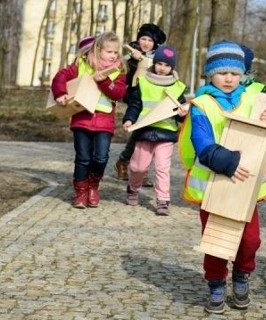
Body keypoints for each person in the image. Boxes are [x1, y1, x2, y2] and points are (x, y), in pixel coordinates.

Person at [178, 40, 266, 314]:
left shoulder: (254, 100)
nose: (229, 78)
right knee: (217, 241)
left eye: (234, 73)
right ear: (211, 74)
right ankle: (216, 283)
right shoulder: (202, 105)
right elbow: (202, 143)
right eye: (222, 73)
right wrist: (229, 163)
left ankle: (242, 275)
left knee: (250, 240)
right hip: (214, 183)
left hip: (246, 186)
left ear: (243, 74)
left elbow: (264, 141)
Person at [50, 31, 127, 209]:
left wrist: (104, 81)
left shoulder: (119, 71)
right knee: (83, 158)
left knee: (101, 157)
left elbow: (119, 93)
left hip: (104, 121)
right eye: (109, 52)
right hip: (82, 120)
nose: (113, 55)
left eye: (116, 52)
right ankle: (81, 191)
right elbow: (60, 77)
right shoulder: (81, 65)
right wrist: (60, 93)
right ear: (98, 49)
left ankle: (93, 186)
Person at [122, 45, 190, 215]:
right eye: (159, 63)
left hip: (166, 134)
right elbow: (135, 105)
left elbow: (181, 112)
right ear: (154, 64)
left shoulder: (178, 87)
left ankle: (163, 201)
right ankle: (133, 188)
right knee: (138, 167)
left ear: (172, 68)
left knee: (162, 167)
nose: (162, 68)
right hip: (144, 131)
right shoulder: (143, 82)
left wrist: (183, 113)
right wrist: (129, 119)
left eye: (167, 65)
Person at [114, 23, 167, 182]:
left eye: (150, 40)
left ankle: (132, 165)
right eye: (143, 38)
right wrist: (135, 62)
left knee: (148, 135)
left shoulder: (159, 59)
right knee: (139, 132)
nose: (145, 43)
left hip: (152, 100)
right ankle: (129, 165)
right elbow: (125, 79)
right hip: (135, 99)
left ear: (155, 43)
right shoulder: (129, 57)